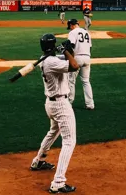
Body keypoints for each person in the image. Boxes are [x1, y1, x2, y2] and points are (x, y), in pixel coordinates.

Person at [30, 33, 80, 194]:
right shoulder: (51, 62)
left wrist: (66, 50)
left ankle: (38, 161)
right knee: (69, 141)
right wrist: (66, 51)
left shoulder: (45, 59)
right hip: (60, 105)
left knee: (53, 131)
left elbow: (66, 59)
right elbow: (74, 65)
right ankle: (58, 182)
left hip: (50, 104)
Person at [67, 19, 94, 110]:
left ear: (71, 25)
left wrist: (71, 59)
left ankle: (69, 103)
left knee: (71, 81)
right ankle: (90, 104)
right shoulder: (87, 33)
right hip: (87, 58)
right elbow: (90, 48)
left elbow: (71, 47)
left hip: (77, 58)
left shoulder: (73, 32)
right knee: (86, 82)